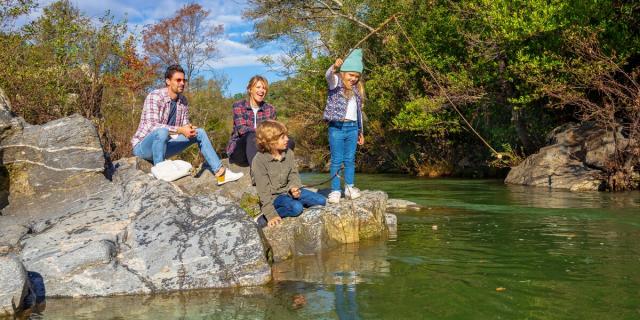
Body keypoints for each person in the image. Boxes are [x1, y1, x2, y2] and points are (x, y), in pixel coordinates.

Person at [131, 64, 243, 185]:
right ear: (168, 81)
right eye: (178, 80)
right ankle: (159, 172)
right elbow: (152, 126)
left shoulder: (183, 101)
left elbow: (184, 125)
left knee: (199, 132)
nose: (182, 83)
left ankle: (221, 173)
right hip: (143, 147)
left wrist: (189, 129)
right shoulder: (155, 96)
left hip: (165, 146)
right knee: (161, 132)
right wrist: (180, 130)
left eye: (184, 80)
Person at [251, 120, 326, 227]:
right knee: (296, 208)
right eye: (283, 137)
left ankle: (292, 204)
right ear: (270, 141)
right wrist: (270, 214)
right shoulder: (259, 160)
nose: (287, 139)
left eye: (286, 136)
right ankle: (264, 216)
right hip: (275, 198)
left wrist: (294, 187)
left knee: (321, 201)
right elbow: (263, 192)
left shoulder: (289, 153)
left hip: (289, 192)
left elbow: (293, 174)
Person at [323, 49, 365, 204]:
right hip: (336, 127)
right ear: (343, 73)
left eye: (356, 76)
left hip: (353, 128)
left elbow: (358, 113)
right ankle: (335, 190)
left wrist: (361, 131)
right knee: (336, 160)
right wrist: (334, 67)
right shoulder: (336, 84)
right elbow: (328, 75)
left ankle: (349, 187)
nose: (353, 79)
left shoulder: (357, 91)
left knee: (349, 159)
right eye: (350, 75)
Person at [226, 76, 294, 166]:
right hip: (240, 152)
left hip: (263, 148)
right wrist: (263, 132)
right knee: (251, 136)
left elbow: (274, 132)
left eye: (264, 88)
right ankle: (257, 174)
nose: (261, 91)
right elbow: (242, 130)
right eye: (258, 87)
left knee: (289, 141)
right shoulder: (239, 106)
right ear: (250, 89)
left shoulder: (270, 109)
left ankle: (280, 167)